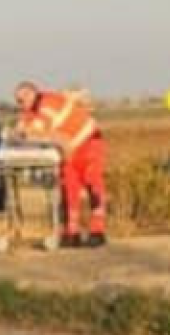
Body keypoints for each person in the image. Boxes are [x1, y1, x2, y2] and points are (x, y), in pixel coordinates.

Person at [15, 80, 107, 248]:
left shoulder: (48, 103)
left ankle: (98, 231)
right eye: (17, 102)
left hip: (88, 142)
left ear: (31, 94)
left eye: (21, 101)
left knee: (93, 185)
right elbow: (24, 130)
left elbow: (42, 132)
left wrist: (28, 133)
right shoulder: (32, 110)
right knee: (70, 189)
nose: (20, 106)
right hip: (70, 150)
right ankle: (72, 233)